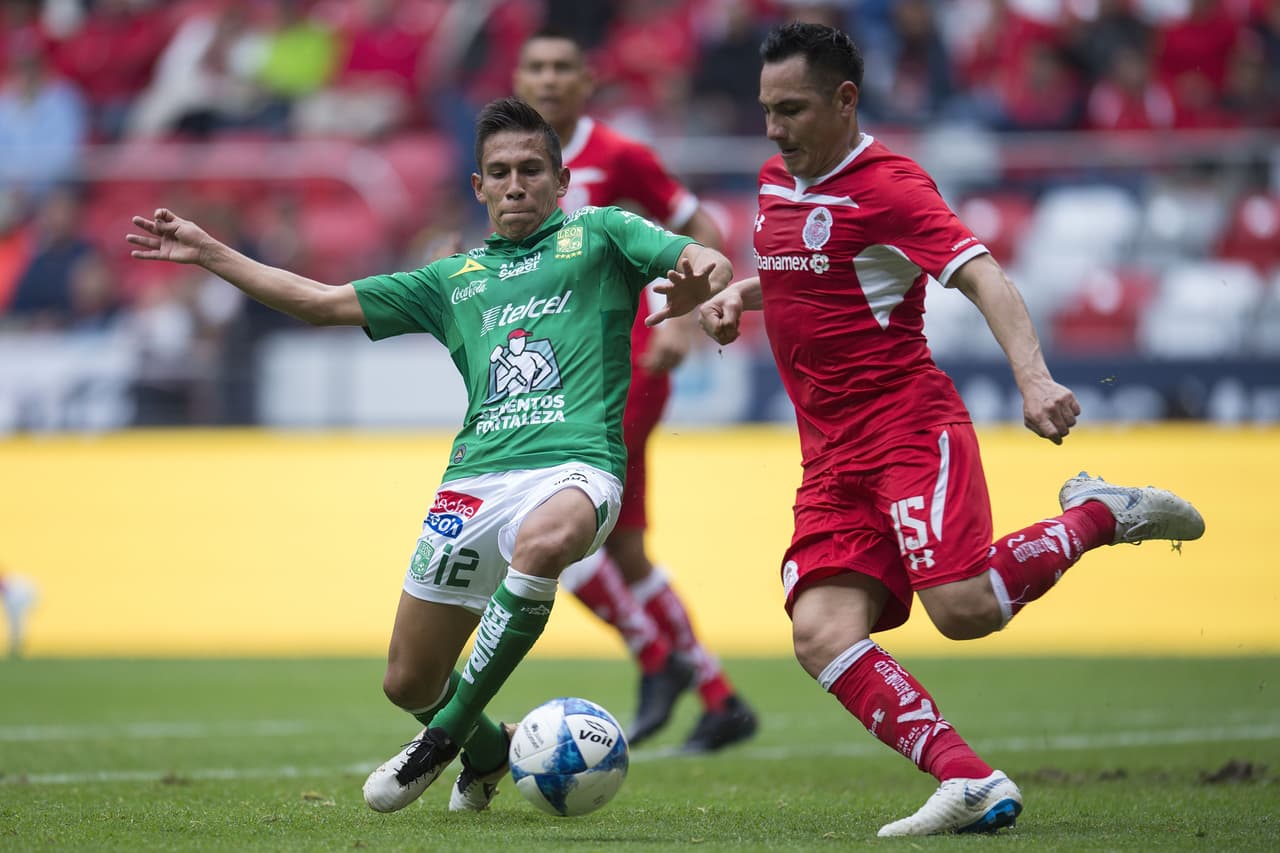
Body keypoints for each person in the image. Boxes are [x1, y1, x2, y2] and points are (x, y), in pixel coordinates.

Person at [127, 96, 732, 813]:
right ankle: (487, 750)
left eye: (532, 170)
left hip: (576, 464)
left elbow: (704, 254)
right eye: (500, 172)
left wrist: (706, 284)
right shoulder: (452, 279)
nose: (516, 184)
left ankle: (439, 742)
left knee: (548, 540)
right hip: (475, 481)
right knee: (409, 680)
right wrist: (209, 253)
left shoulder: (601, 234)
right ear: (477, 187)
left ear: (561, 180)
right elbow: (320, 301)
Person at [697, 22, 1205, 837]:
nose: (773, 127)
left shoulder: (893, 185)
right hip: (828, 457)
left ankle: (1100, 514)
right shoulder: (773, 180)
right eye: (766, 109)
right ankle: (967, 778)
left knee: (964, 610)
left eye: (790, 109)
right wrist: (739, 297)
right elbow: (810, 270)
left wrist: (1034, 379)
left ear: (844, 99)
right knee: (819, 631)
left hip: (906, 427)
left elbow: (985, 278)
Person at [513, 28, 758, 752]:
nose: (550, 79)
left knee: (549, 521)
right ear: (520, 79)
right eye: (537, 67)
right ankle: (714, 692)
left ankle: (662, 661)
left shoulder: (618, 156)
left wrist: (684, 318)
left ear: (588, 80)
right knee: (621, 546)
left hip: (623, 367)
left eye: (564, 67)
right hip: (558, 373)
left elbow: (700, 226)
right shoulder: (514, 164)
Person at [0, 572, 38, 658]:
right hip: (14, 608)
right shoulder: (9, 584)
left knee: (18, 627)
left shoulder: (15, 583)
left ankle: (18, 646)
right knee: (14, 627)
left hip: (18, 607)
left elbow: (31, 595)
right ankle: (15, 647)